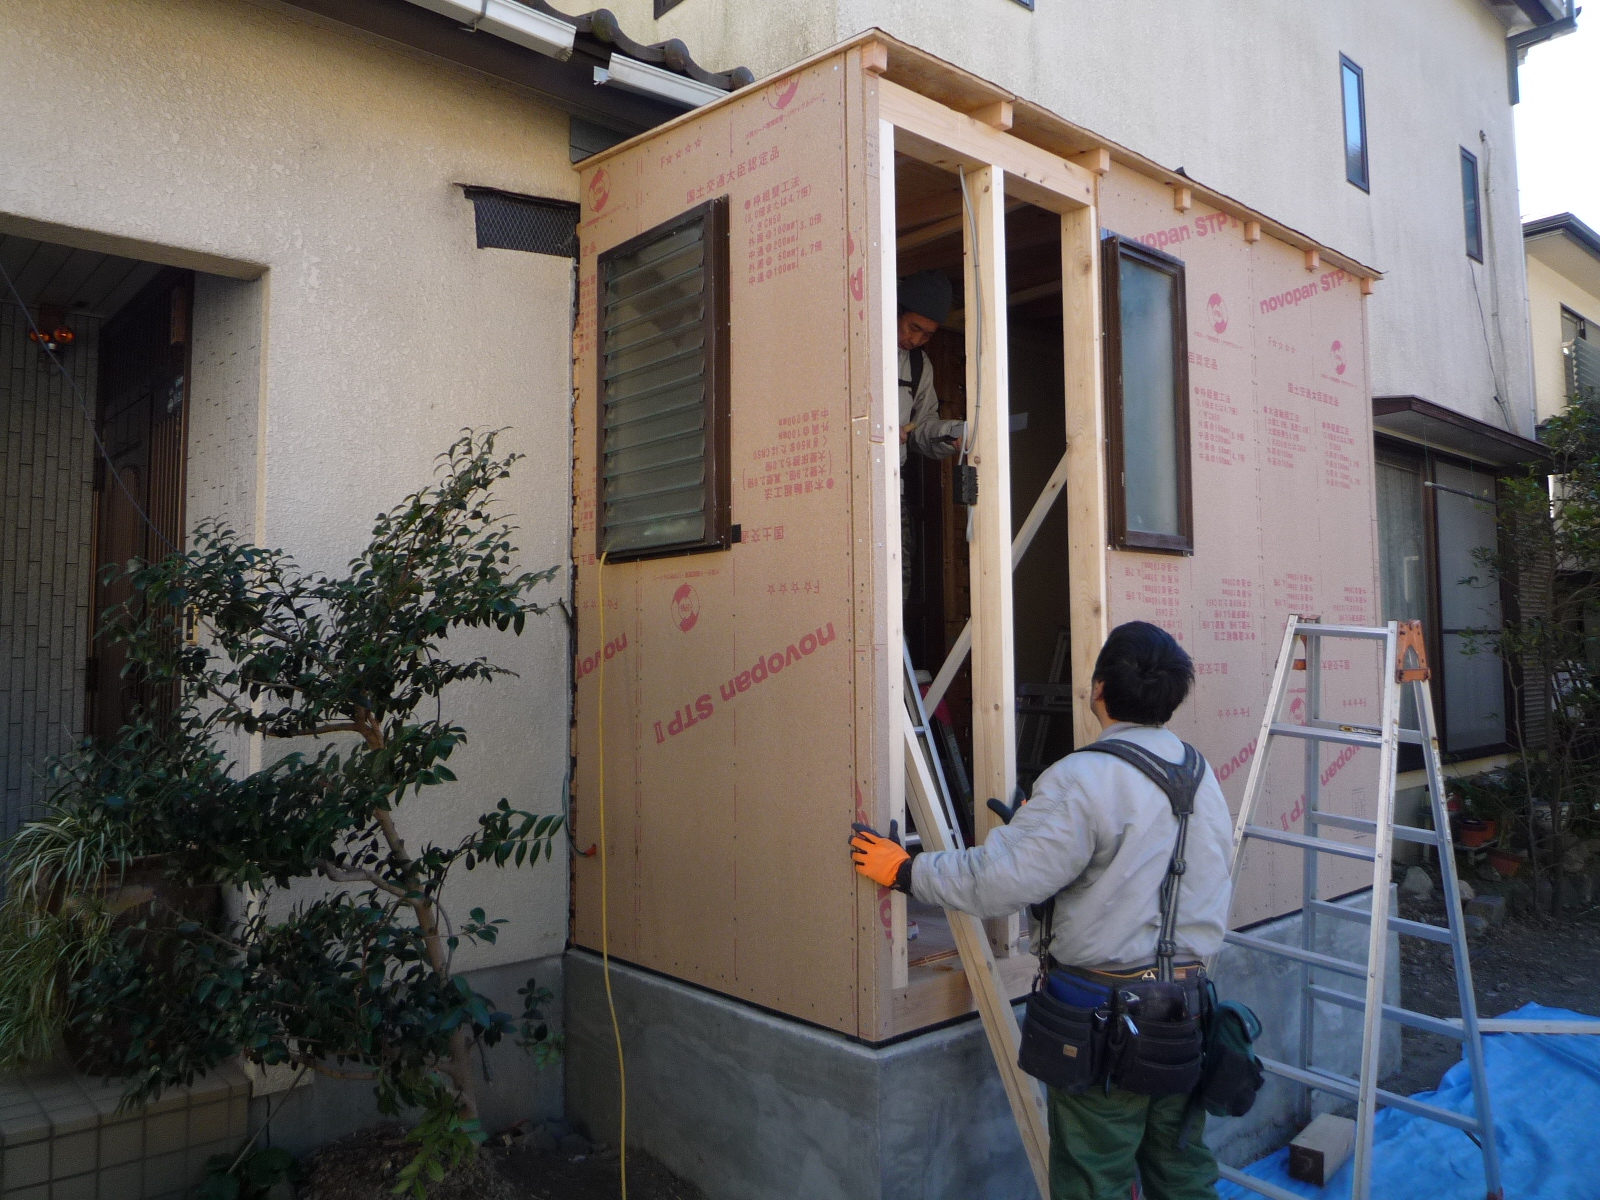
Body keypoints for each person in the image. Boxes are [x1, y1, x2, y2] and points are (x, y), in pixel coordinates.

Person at [848, 621, 1235, 1200]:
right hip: (1189, 1018)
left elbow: (996, 884)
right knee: (1182, 1178)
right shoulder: (1201, 775)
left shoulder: (1081, 779)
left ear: (1097, 688)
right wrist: (1044, 839)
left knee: (1093, 1181)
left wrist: (904, 870)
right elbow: (1152, 876)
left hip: (1108, 1025)